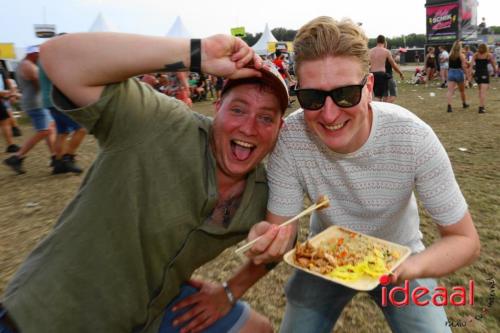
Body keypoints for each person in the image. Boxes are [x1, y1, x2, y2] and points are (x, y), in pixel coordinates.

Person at [0, 33, 289, 333]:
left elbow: (285, 238)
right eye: (238, 109)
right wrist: (196, 52)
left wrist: (229, 292)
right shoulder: (157, 123)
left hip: (151, 313)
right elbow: (58, 58)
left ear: (279, 128)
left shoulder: (264, 193)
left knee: (257, 329)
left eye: (266, 118)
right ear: (218, 107)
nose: (249, 127)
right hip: (51, 318)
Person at [244, 16, 480, 333]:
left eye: (345, 94)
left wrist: (410, 266)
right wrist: (271, 239)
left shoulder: (412, 138)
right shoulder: (291, 138)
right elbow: (281, 230)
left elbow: (465, 240)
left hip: (400, 255)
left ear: (369, 87)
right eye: (313, 98)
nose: (329, 115)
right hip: (326, 253)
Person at [3, 46, 56, 175]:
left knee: (49, 129)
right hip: (35, 103)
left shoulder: (26, 64)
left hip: (34, 102)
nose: (40, 58)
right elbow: (40, 85)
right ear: (32, 54)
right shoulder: (28, 66)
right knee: (45, 131)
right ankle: (17, 157)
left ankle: (56, 157)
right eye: (38, 55)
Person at [38, 61, 87, 174]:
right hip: (57, 100)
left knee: (62, 133)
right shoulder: (51, 60)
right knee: (82, 128)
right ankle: (68, 158)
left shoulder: (43, 60)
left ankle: (58, 163)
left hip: (50, 101)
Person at [369, 35, 403, 101]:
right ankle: (378, 110)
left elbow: (367, 64)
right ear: (384, 41)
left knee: (377, 95)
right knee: (379, 97)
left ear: (377, 41)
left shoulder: (370, 51)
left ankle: (377, 109)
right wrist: (400, 73)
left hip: (372, 75)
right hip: (381, 75)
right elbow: (393, 65)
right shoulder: (386, 51)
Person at [472, 43, 498, 113]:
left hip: (477, 74)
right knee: (483, 92)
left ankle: (481, 105)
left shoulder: (475, 54)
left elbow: (471, 65)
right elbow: (494, 65)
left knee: (480, 90)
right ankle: (481, 107)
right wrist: (495, 72)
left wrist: (470, 75)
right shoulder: (488, 55)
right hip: (484, 74)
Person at [446, 41, 470, 113]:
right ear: (460, 47)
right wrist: (467, 75)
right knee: (462, 91)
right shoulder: (461, 55)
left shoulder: (450, 55)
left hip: (451, 72)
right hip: (458, 72)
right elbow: (463, 66)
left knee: (450, 91)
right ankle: (464, 103)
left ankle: (449, 106)